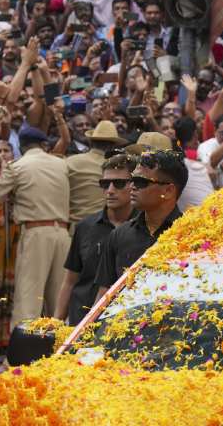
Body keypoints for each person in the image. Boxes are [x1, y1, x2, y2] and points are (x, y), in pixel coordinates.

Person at [0, 126, 71, 330]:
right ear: (43, 144)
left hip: (35, 233)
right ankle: (59, 353)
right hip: (63, 234)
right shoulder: (61, 164)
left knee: (28, 301)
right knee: (58, 302)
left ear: (21, 146)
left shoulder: (18, 166)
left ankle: (21, 359)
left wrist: (4, 168)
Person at [54, 153, 137, 325]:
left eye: (119, 183)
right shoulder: (85, 227)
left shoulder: (144, 228)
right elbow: (70, 280)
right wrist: (55, 323)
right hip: (80, 321)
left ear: (134, 185)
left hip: (125, 324)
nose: (110, 190)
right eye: (105, 184)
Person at [94, 150, 187, 300]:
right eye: (132, 180)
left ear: (168, 190)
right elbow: (104, 296)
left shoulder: (191, 236)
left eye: (141, 182)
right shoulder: (119, 235)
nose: (132, 187)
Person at [65, 120, 127, 225]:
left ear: (90, 142)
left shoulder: (70, 162)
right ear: (113, 147)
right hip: (107, 228)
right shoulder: (118, 169)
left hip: (75, 229)